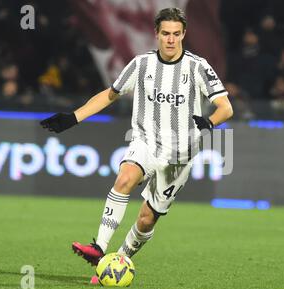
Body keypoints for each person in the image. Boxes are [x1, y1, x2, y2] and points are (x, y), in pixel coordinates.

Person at [40, 8, 233, 266]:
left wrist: (209, 121)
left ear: (184, 34)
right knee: (125, 177)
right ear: (156, 34)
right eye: (166, 33)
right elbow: (111, 94)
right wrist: (73, 118)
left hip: (180, 156)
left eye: (176, 34)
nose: (171, 39)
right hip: (146, 142)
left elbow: (226, 107)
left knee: (146, 219)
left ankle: (118, 261)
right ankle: (99, 246)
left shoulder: (198, 67)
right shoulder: (141, 64)